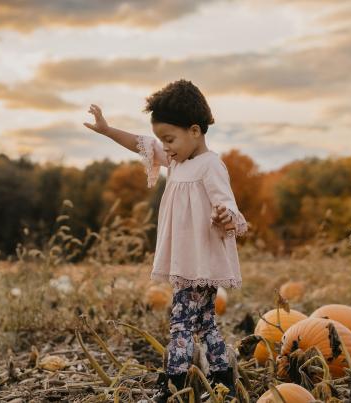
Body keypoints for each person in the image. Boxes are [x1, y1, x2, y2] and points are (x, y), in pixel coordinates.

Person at [83, 79, 247, 401]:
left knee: (181, 322)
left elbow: (227, 203)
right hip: (186, 260)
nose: (165, 146)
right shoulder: (176, 160)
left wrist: (226, 216)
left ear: (195, 131)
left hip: (200, 260)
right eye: (162, 140)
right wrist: (107, 129)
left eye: (170, 139)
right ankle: (222, 382)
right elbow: (139, 143)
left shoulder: (210, 164)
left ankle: (172, 386)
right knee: (204, 323)